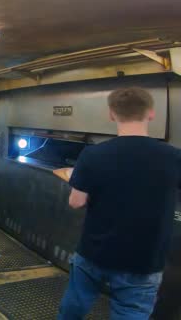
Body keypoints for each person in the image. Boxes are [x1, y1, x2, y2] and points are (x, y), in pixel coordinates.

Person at [58, 87, 181, 320]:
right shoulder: (174, 156)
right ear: (151, 113)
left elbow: (76, 202)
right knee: (131, 313)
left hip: (95, 252)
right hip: (145, 258)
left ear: (111, 114)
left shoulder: (93, 155)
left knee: (75, 305)